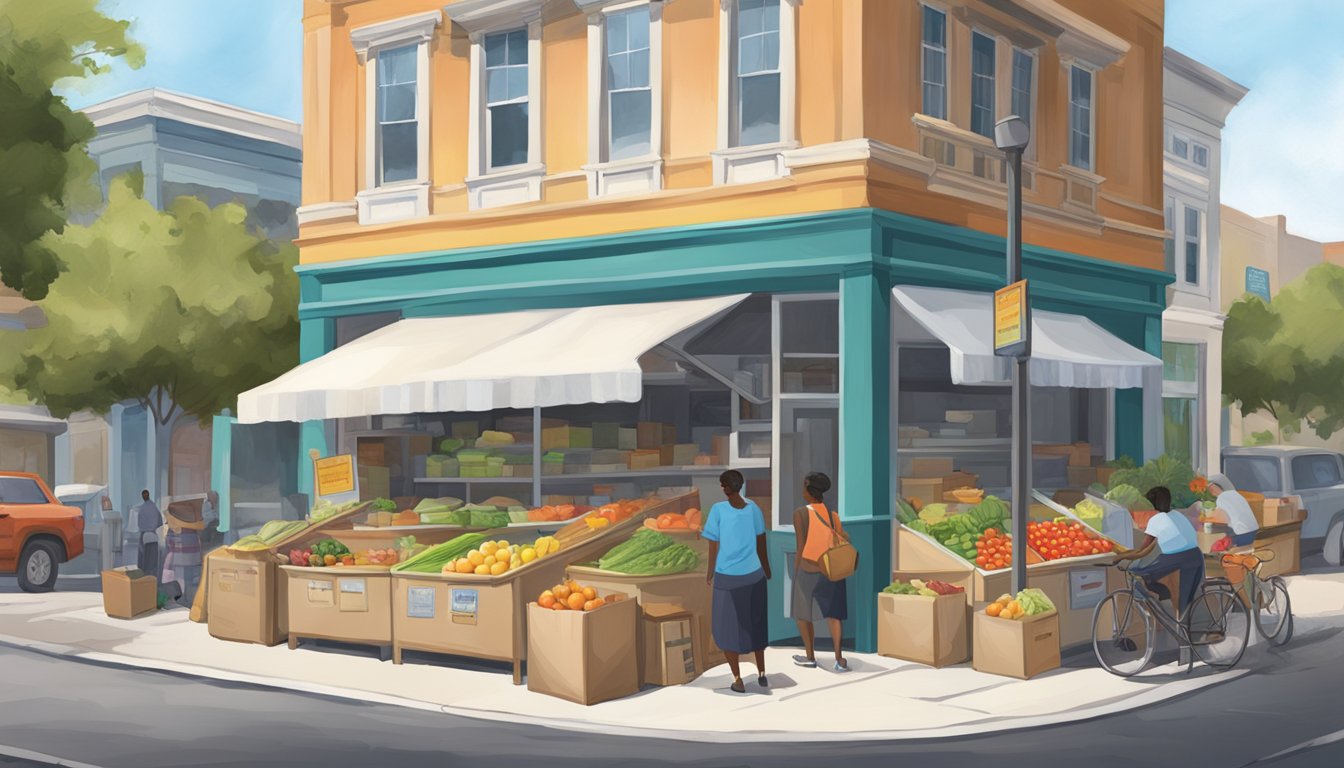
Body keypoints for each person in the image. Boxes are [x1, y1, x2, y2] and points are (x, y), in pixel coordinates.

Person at [703, 469, 772, 694]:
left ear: (726, 487)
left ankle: (738, 679)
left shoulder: (718, 510)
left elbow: (713, 545)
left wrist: (710, 571)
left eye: (723, 484)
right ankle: (761, 673)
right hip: (754, 575)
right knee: (755, 623)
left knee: (727, 629)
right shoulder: (754, 509)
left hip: (727, 578)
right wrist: (767, 569)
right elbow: (761, 542)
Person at [1114, 486, 1204, 615]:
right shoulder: (1176, 514)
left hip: (1176, 559)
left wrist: (1121, 556)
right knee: (1185, 604)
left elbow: (1143, 550)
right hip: (1195, 555)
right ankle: (1168, 609)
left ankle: (1153, 601)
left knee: (1136, 573)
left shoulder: (1156, 519)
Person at [791, 472, 849, 672]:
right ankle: (839, 658)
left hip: (808, 568)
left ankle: (810, 656)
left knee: (803, 614)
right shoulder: (833, 515)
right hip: (831, 568)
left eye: (803, 486)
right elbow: (842, 537)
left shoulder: (800, 513)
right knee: (834, 615)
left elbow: (801, 544)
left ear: (808, 489)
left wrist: (796, 571)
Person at [164, 505, 206, 606]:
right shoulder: (193, 529)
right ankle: (189, 598)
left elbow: (170, 545)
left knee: (180, 579)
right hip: (193, 558)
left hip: (180, 559)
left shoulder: (175, 529)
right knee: (189, 580)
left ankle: (182, 598)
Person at [1205, 474, 1259, 547]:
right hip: (1254, 531)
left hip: (1242, 533)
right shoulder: (1235, 494)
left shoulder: (1221, 499)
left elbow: (1220, 519)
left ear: (1211, 491)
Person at [134, 490, 162, 575]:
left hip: (145, 535)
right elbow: (160, 521)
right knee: (153, 560)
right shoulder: (154, 507)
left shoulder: (142, 508)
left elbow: (140, 524)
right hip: (153, 535)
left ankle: (144, 575)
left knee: (143, 559)